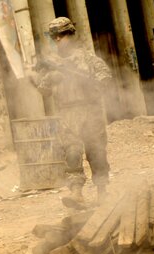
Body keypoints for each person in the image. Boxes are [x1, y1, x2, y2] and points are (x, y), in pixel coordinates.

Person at [34, 17, 112, 208]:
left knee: (97, 152)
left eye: (62, 35)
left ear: (70, 34)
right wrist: (52, 77)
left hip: (91, 110)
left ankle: (103, 192)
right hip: (67, 112)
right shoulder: (51, 63)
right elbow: (42, 89)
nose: (58, 40)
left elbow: (105, 77)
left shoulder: (87, 58)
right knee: (71, 152)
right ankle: (77, 193)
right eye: (55, 37)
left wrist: (89, 81)